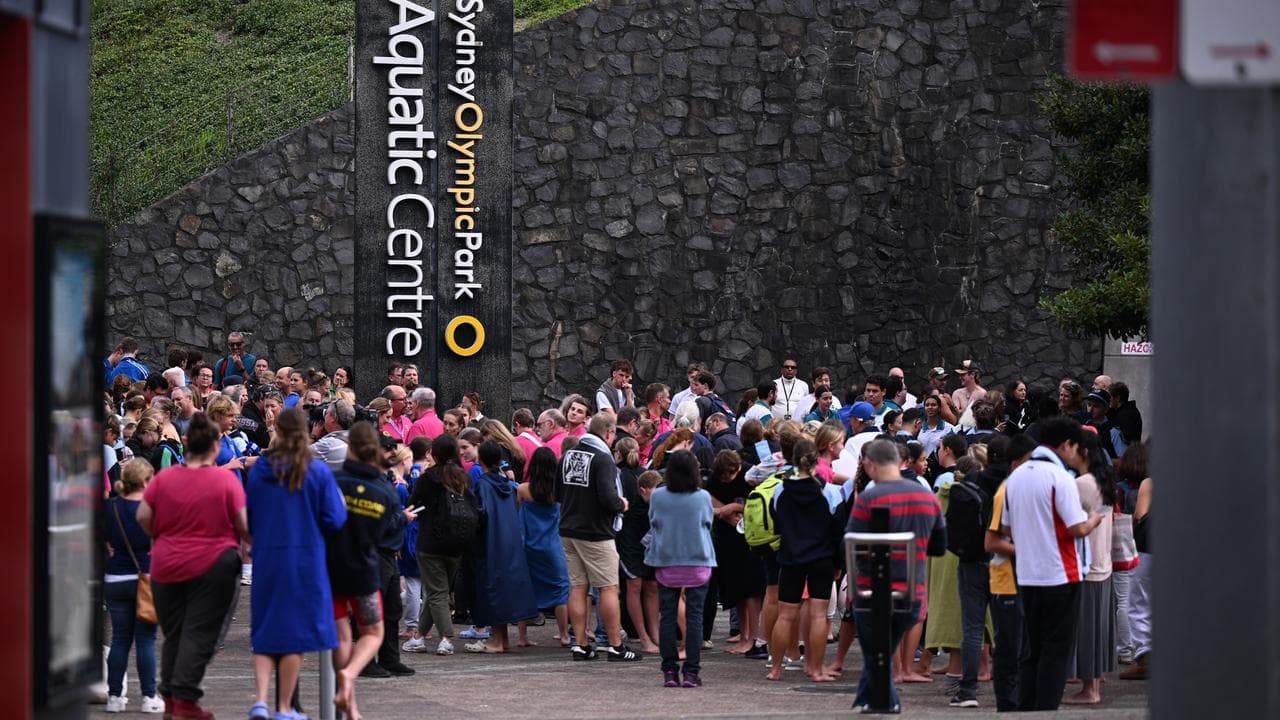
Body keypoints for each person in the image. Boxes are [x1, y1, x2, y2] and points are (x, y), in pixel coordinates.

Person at [137, 412, 249, 720]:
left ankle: (172, 699)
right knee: (199, 633)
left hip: (166, 563)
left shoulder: (165, 478)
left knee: (174, 633)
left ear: (187, 446)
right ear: (215, 447)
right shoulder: (225, 480)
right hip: (212, 564)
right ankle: (185, 699)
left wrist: (164, 535)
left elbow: (143, 517)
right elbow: (243, 525)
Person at [244, 408, 347, 719]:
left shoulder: (262, 469)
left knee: (265, 631)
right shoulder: (315, 471)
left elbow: (250, 514)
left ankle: (261, 699)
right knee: (294, 636)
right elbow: (334, 518)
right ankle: (285, 708)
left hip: (268, 556)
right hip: (305, 558)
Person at [1001, 417, 1104, 711]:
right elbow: (1076, 528)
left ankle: (1027, 708)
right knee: (1056, 648)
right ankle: (1046, 709)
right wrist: (1094, 518)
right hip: (1061, 572)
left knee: (1031, 647)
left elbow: (1007, 529)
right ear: (1066, 445)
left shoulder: (1017, 476)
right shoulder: (1060, 478)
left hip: (1027, 573)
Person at [846, 439, 947, 712]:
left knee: (877, 652)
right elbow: (939, 546)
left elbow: (852, 544)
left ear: (870, 463)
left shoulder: (869, 497)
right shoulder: (927, 497)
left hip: (870, 590)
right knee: (884, 649)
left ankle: (886, 702)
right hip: (913, 589)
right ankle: (869, 701)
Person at [325, 423, 406, 719]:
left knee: (343, 634)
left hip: (332, 569)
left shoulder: (332, 480)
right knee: (373, 632)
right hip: (364, 570)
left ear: (350, 447)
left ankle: (346, 688)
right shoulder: (386, 491)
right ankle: (350, 677)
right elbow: (385, 531)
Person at [557, 413, 641, 661]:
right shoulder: (603, 459)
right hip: (595, 532)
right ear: (608, 433)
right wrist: (622, 504)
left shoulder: (568, 455)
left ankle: (580, 644)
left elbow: (558, 493)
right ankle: (615, 645)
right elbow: (608, 497)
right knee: (608, 588)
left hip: (568, 529)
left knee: (578, 587)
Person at [767, 438, 840, 683]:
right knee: (819, 615)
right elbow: (836, 527)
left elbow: (776, 520)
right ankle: (816, 669)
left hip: (790, 556)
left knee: (785, 615)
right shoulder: (829, 491)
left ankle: (776, 668)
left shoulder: (781, 490)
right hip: (821, 556)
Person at [645, 450, 716, 688]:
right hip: (698, 559)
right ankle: (691, 673)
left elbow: (653, 521)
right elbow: (707, 522)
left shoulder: (658, 496)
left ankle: (669, 671)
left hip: (666, 559)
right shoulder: (703, 497)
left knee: (667, 616)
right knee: (695, 617)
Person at [405, 434, 476, 656]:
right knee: (438, 590)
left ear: (433, 453)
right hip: (457, 541)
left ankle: (446, 637)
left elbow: (413, 502)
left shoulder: (429, 478)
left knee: (436, 592)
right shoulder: (462, 477)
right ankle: (417, 638)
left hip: (430, 541)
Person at [103, 460, 164, 714]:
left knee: (119, 639)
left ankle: (114, 697)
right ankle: (149, 696)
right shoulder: (152, 509)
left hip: (115, 578)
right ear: (144, 481)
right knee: (146, 640)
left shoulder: (110, 507)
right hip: (146, 578)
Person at [466, 441, 539, 653]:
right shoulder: (505, 482)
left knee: (492, 588)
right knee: (503, 587)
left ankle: (496, 641)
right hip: (509, 539)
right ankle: (502, 638)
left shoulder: (483, 484)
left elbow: (482, 513)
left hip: (491, 540)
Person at [1064, 431, 1117, 705]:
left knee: (1086, 629)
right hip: (1103, 561)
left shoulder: (1081, 483)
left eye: (1071, 446)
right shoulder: (1103, 480)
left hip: (1085, 564)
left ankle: (1090, 690)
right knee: (1097, 629)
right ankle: (1093, 685)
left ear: (1083, 451)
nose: (1067, 450)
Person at [517, 447, 572, 646]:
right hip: (553, 546)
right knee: (560, 590)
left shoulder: (523, 489)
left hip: (529, 545)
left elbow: (518, 513)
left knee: (525, 589)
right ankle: (564, 634)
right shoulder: (559, 491)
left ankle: (522, 637)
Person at [615, 440, 660, 654]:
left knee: (651, 587)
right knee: (635, 585)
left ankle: (655, 633)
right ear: (643, 490)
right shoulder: (629, 487)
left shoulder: (647, 483)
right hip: (630, 544)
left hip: (649, 546)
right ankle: (643, 637)